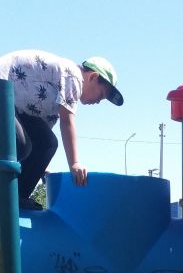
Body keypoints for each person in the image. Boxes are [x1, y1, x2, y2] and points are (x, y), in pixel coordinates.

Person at [0, 50, 123, 211]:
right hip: (2, 91)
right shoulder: (74, 77)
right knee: (19, 143)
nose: (98, 102)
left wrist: (38, 166)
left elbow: (41, 140)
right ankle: (4, 195)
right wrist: (74, 163)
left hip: (16, 107)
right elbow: (67, 122)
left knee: (48, 143)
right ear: (93, 77)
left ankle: (18, 197)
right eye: (100, 95)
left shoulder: (55, 102)